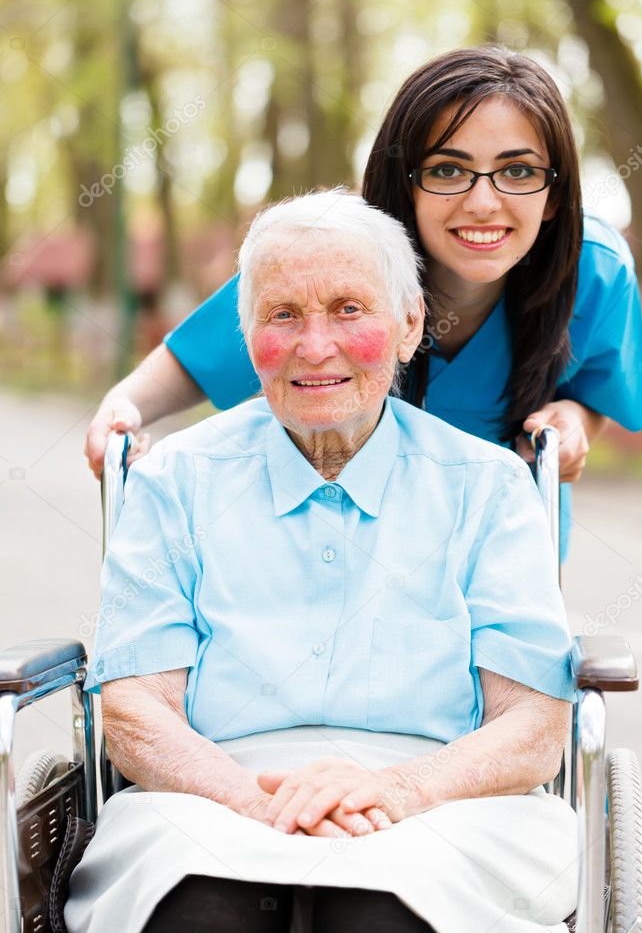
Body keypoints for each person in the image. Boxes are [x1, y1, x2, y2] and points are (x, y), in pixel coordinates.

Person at [66, 192, 578, 933]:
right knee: (206, 904)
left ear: (408, 328)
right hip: (209, 791)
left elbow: (533, 723)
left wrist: (397, 789)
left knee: (380, 909)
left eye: (347, 309)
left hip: (443, 800)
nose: (315, 345)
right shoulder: (175, 480)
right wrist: (257, 802)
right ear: (246, 337)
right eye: (283, 315)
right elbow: (136, 710)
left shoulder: (488, 486)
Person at [84, 46, 642, 560]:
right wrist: (121, 409)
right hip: (345, 539)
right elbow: (206, 354)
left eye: (518, 170)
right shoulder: (340, 256)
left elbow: (598, 394)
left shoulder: (597, 271)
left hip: (499, 549)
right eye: (448, 170)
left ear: (554, 194)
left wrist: (575, 422)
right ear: (405, 182)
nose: (484, 201)